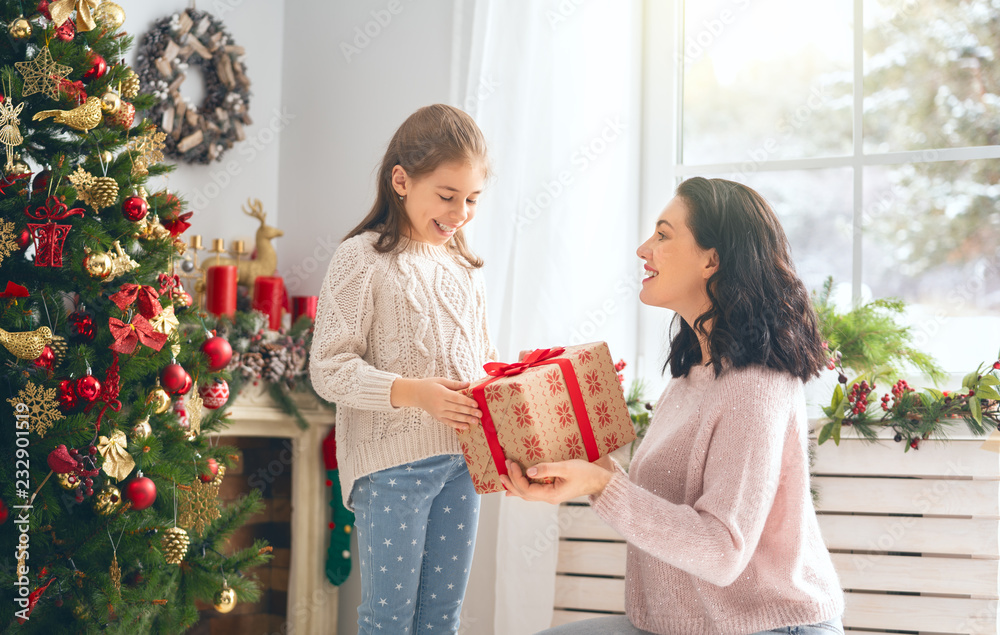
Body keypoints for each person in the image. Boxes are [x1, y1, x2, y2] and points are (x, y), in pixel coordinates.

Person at [502, 177, 846, 635]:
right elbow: (659, 500)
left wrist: (603, 485)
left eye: (663, 235)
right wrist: (584, 471)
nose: (644, 249)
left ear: (712, 259)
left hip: (765, 627)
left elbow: (723, 551)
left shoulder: (754, 386)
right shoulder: (696, 372)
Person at [309, 104, 495, 635]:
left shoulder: (467, 269)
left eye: (473, 200)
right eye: (447, 196)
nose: (460, 212)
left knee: (442, 619)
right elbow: (328, 369)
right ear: (401, 180)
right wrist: (415, 393)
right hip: (392, 469)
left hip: (462, 464)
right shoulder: (360, 258)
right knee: (388, 621)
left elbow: (480, 365)